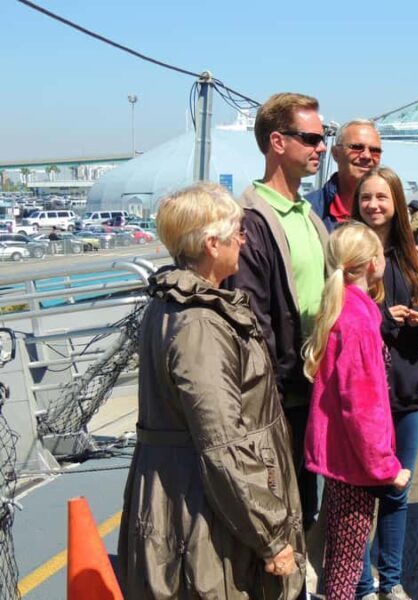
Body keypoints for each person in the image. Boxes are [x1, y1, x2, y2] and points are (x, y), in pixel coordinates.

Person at [119, 183, 305, 599]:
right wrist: (271, 537)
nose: (243, 239)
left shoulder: (173, 306)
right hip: (205, 516)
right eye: (237, 230)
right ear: (211, 243)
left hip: (193, 498)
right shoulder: (200, 325)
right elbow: (221, 443)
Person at [222, 92, 329, 539]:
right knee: (285, 511)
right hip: (283, 396)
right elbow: (250, 317)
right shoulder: (252, 218)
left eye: (324, 138)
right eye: (312, 138)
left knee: (308, 505)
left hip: (316, 384)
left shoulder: (308, 213)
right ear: (277, 142)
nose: (321, 148)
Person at [303, 222, 411, 600]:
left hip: (339, 458)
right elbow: (362, 407)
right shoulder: (360, 321)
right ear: (372, 264)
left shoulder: (344, 308)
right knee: (346, 569)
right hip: (354, 463)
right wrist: (386, 467)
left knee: (340, 559)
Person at [353, 167, 418, 600]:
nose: (374, 205)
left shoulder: (413, 259)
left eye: (382, 197)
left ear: (395, 202)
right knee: (358, 497)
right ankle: (360, 586)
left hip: (407, 388)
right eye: (366, 197)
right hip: (361, 394)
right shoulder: (347, 254)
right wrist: (381, 319)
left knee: (397, 493)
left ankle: (390, 582)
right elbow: (334, 319)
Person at [308, 119, 383, 231]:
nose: (367, 156)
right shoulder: (308, 211)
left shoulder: (390, 213)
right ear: (335, 153)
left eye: (374, 150)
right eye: (357, 148)